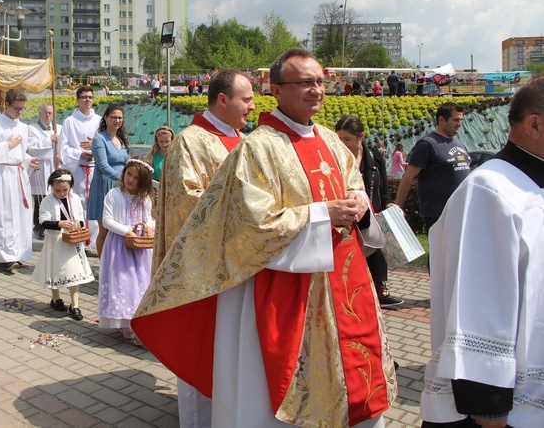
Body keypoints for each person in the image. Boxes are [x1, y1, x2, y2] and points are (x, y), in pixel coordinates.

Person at [132, 49, 396, 427]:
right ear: (277, 89)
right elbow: (249, 223)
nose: (316, 90)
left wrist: (359, 203)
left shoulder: (330, 139)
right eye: (305, 82)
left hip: (343, 279)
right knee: (283, 386)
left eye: (320, 81)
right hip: (287, 286)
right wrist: (323, 214)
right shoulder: (258, 147)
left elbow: (353, 183)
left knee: (353, 382)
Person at [420, 77, 544, 428]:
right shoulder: (490, 189)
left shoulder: (532, 184)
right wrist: (489, 409)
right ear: (534, 124)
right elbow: (479, 306)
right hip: (496, 411)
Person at [150, 69, 254, 427]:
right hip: (204, 268)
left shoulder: (242, 139)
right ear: (222, 100)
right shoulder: (191, 142)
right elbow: (187, 205)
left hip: (242, 262)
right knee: (201, 351)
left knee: (234, 353)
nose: (252, 107)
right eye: (246, 99)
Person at [335, 115, 403, 307]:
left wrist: (389, 203)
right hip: (347, 216)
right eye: (338, 138)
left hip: (373, 215)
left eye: (347, 139)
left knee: (376, 252)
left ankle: (380, 291)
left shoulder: (373, 156)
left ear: (361, 137)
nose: (342, 143)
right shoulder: (334, 159)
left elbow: (383, 188)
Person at [0, 87, 38, 272]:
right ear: (7, 105)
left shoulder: (23, 127)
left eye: (22, 109)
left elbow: (21, 152)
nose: (19, 112)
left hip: (17, 173)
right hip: (0, 174)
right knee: (2, 214)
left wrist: (28, 160)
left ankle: (17, 252)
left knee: (20, 214)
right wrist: (7, 145)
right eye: (16, 108)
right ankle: (3, 255)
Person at [98, 159, 155, 341]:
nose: (130, 179)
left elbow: (149, 218)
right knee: (123, 283)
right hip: (119, 246)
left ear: (143, 181)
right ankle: (124, 323)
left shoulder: (144, 198)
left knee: (141, 283)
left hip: (140, 247)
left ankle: (138, 321)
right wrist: (126, 231)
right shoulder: (114, 194)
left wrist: (148, 227)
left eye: (136, 177)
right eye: (128, 174)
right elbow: (107, 220)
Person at [395, 102, 470, 237]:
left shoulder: (458, 142)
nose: (459, 123)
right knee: (441, 256)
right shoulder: (427, 144)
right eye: (456, 120)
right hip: (439, 213)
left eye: (461, 120)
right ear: (441, 120)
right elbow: (409, 176)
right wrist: (398, 208)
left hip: (461, 210)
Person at [32, 168, 94, 321]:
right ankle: (56, 298)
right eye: (57, 190)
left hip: (72, 241)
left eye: (65, 189)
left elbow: (80, 216)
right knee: (55, 270)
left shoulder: (75, 199)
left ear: (70, 187)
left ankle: (75, 304)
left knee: (74, 272)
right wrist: (59, 223)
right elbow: (43, 221)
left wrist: (76, 224)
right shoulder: (47, 201)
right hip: (56, 241)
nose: (61, 193)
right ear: (51, 187)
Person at [59, 86, 101, 246]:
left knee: (96, 203)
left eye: (90, 97)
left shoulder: (99, 120)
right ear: (77, 100)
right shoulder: (70, 121)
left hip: (95, 169)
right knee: (78, 203)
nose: (87, 100)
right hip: (78, 169)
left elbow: (106, 142)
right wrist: (79, 154)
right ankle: (79, 237)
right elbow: (63, 148)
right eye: (84, 97)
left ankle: (96, 240)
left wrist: (94, 146)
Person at [86, 104, 129, 256]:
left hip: (121, 187)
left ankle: (115, 263)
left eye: (119, 118)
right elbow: (103, 165)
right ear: (106, 118)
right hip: (105, 186)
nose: (117, 120)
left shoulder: (121, 139)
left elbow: (125, 163)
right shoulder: (99, 139)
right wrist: (123, 179)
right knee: (104, 229)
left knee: (119, 226)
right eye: (113, 117)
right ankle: (104, 265)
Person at [28, 103, 59, 240]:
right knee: (40, 199)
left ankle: (52, 224)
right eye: (46, 112)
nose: (48, 115)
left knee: (55, 196)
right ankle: (39, 227)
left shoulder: (58, 128)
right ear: (40, 113)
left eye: (50, 113)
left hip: (53, 165)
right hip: (41, 166)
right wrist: (49, 140)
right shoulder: (32, 129)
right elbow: (31, 147)